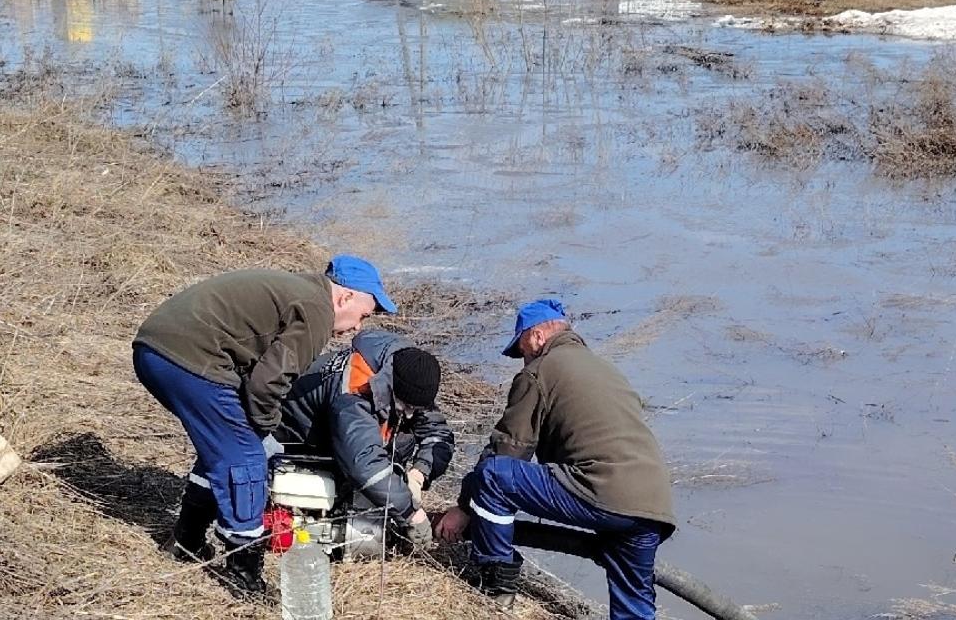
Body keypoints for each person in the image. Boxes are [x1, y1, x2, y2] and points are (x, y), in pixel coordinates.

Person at [131, 255, 396, 597]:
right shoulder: (317, 310)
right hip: (186, 356)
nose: (357, 328)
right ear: (344, 297)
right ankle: (243, 570)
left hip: (159, 347)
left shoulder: (301, 291)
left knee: (223, 448)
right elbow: (267, 384)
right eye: (362, 315)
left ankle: (186, 540)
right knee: (246, 457)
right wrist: (266, 431)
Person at [434, 299, 676, 620]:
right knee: (635, 607)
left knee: (493, 475)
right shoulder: (605, 369)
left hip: (601, 490)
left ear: (535, 337)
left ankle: (497, 584)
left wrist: (465, 508)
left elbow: (509, 448)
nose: (522, 361)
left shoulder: (540, 371)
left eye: (520, 351)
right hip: (653, 507)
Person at [273, 329, 454, 551]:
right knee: (359, 478)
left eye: (415, 409)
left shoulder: (409, 373)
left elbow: (438, 434)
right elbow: (364, 463)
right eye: (406, 406)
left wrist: (418, 474)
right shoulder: (354, 390)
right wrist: (410, 514)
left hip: (345, 438)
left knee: (403, 440)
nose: (409, 414)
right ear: (393, 387)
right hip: (304, 441)